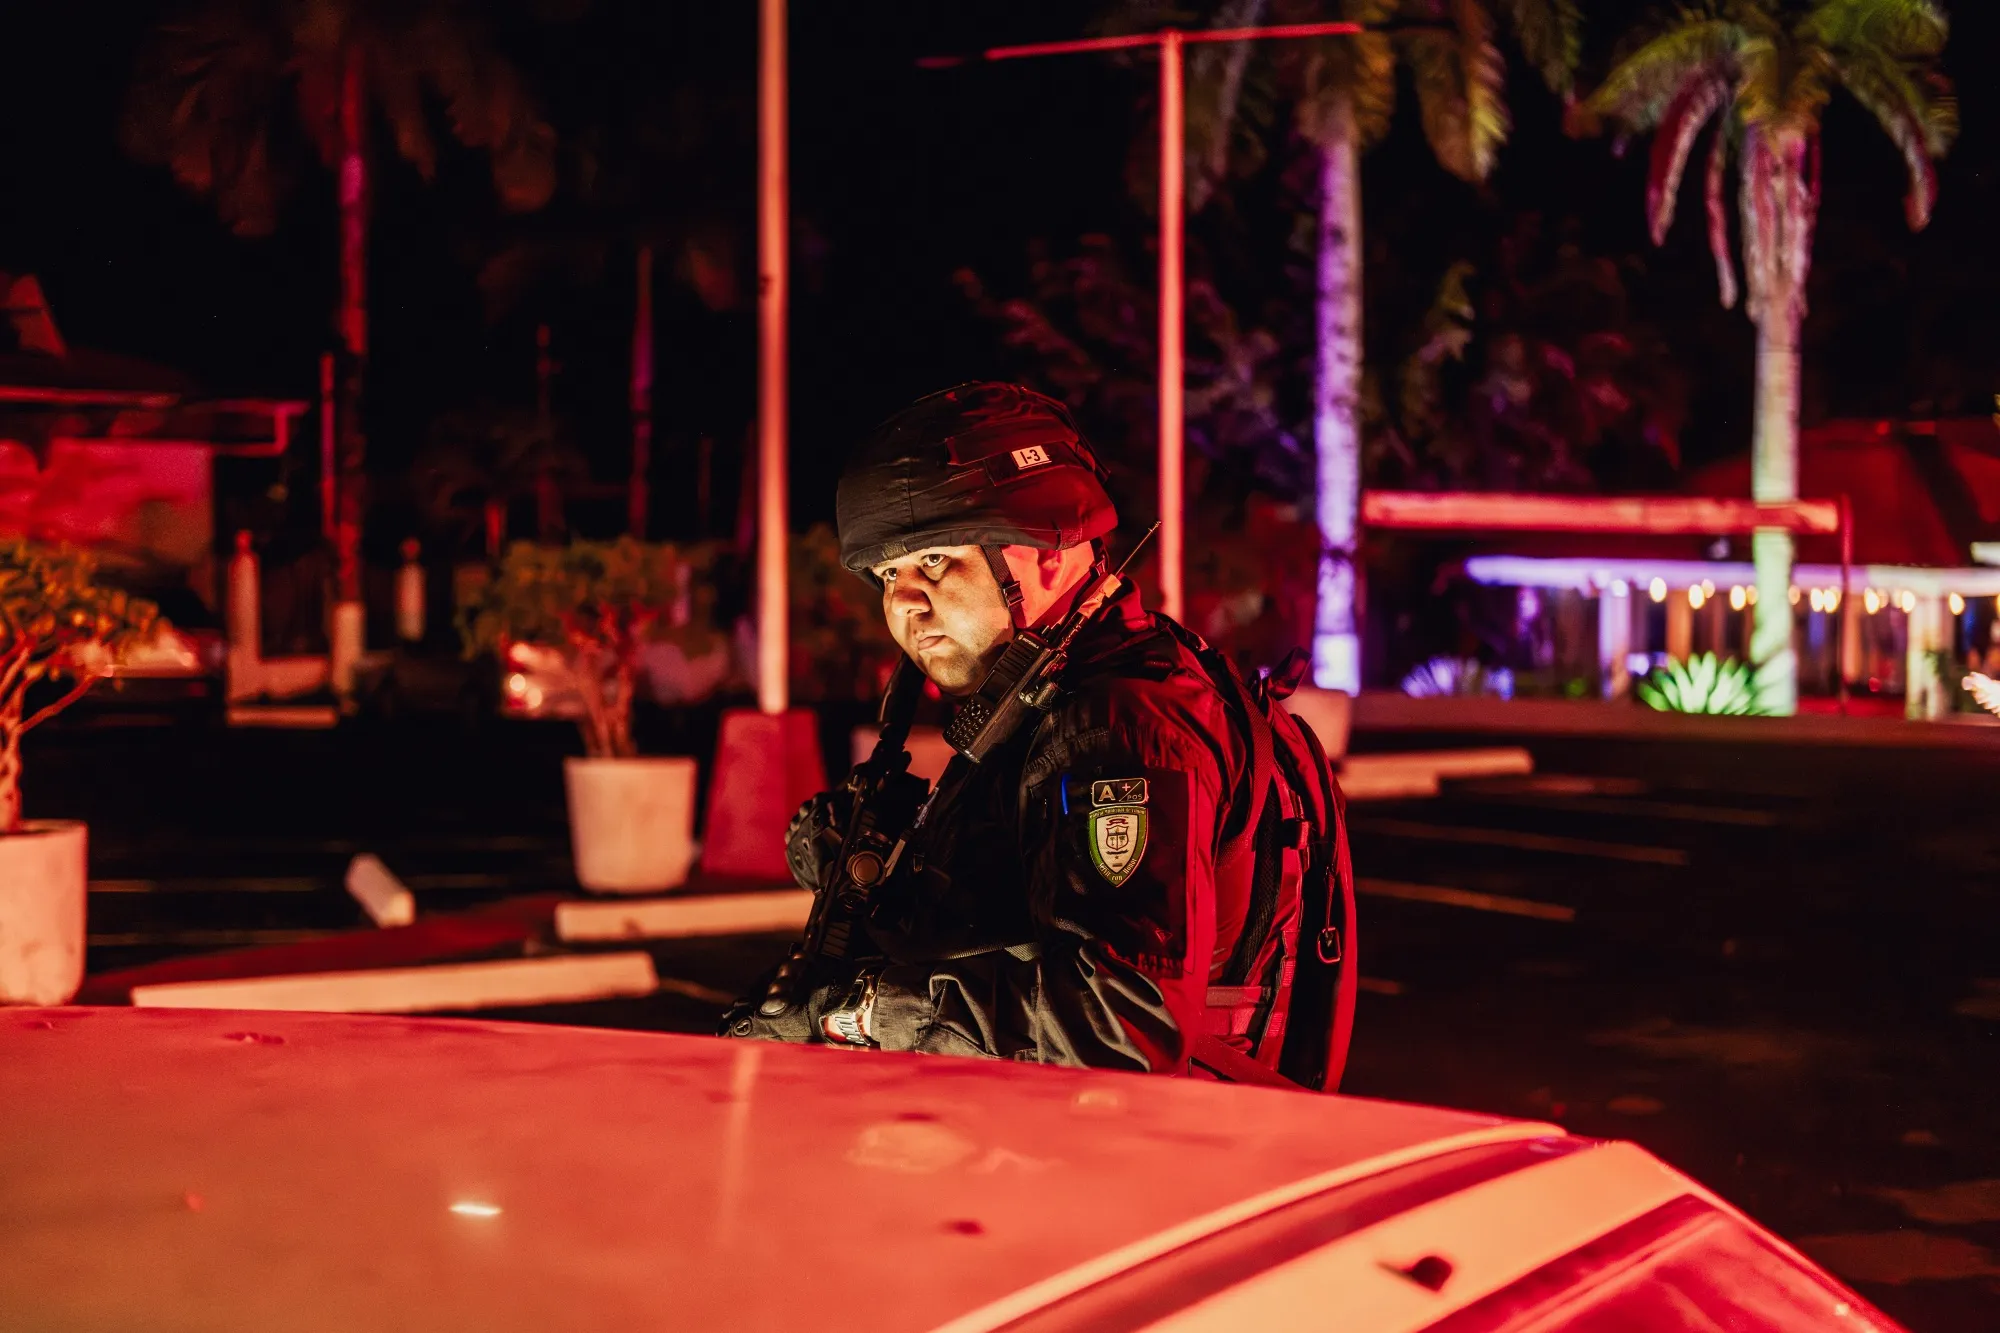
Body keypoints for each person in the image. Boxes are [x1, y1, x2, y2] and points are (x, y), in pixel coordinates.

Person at [723, 383, 1352, 1084]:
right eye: (888, 574)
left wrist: (858, 1013)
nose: (903, 602)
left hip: (1116, 1171)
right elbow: (1010, 923)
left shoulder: (1117, 726)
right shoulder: (1044, 700)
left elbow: (1121, 1021)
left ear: (1049, 555)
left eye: (934, 561)